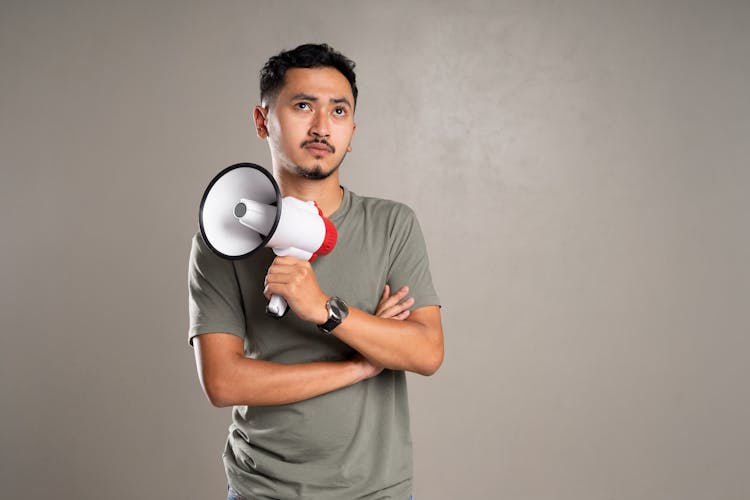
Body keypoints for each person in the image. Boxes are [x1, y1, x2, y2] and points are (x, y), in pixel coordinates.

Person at [188, 43, 444, 500]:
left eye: (339, 111)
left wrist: (326, 309)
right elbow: (224, 382)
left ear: (352, 128)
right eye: (303, 105)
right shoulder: (224, 236)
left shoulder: (391, 225)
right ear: (262, 120)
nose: (322, 127)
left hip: (376, 490)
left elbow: (426, 351)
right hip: (261, 489)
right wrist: (361, 366)